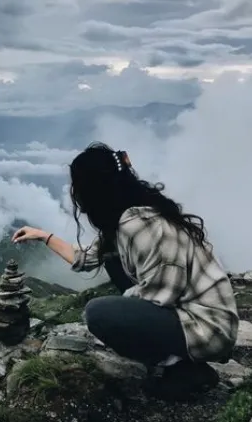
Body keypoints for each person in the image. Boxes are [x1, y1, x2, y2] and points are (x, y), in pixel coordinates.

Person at [12, 142, 239, 400]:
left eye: (77, 185)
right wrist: (44, 236)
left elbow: (161, 294)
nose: (74, 192)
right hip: (190, 315)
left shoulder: (141, 225)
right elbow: (84, 257)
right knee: (112, 262)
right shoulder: (121, 222)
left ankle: (184, 369)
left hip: (209, 328)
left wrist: (119, 313)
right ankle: (182, 364)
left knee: (98, 313)